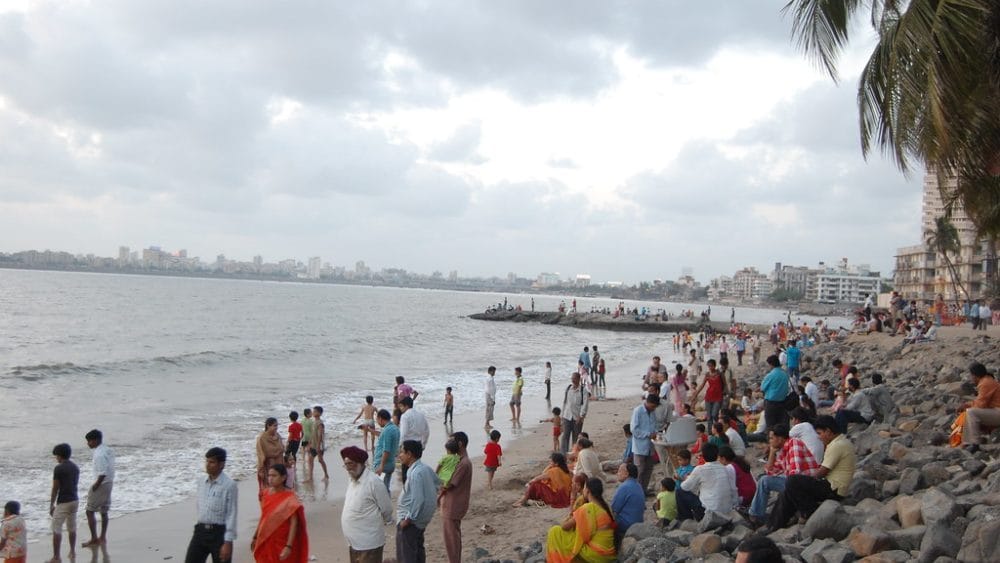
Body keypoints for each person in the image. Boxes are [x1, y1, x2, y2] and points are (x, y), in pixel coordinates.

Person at [764, 416, 856, 532]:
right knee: (787, 490)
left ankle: (810, 510)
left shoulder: (837, 445)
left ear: (828, 431)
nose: (818, 437)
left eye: (820, 433)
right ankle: (773, 525)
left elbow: (821, 472)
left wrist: (803, 481)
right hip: (833, 485)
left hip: (834, 488)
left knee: (793, 481)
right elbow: (771, 470)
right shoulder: (840, 442)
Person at [747, 423, 821, 526]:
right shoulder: (783, 450)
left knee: (764, 481)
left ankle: (755, 515)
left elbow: (795, 474)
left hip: (805, 484)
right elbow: (770, 471)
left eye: (772, 438)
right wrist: (772, 452)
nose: (770, 441)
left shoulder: (794, 444)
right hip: (796, 481)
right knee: (764, 478)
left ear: (780, 439)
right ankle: (757, 514)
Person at [340, 446, 393, 563]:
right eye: (346, 465)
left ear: (360, 463)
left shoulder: (373, 482)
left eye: (351, 464)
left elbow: (387, 509)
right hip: (353, 543)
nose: (348, 468)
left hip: (369, 544)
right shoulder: (352, 480)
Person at [185, 447, 238, 563]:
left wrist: (228, 542)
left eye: (212, 462)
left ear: (221, 464)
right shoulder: (201, 482)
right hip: (200, 531)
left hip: (219, 534)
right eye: (207, 461)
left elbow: (231, 514)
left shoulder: (229, 485)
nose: (208, 465)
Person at [545, 478, 616, 563]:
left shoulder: (589, 508)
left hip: (596, 554)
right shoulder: (605, 506)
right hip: (607, 553)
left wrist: (573, 497)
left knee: (554, 531)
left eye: (584, 488)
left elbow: (565, 527)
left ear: (587, 491)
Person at [251, 463, 308, 563]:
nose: (270, 478)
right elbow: (264, 517)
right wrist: (255, 536)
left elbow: (294, 523)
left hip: (282, 540)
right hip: (267, 538)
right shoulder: (266, 493)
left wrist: (288, 546)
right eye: (269, 475)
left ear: (283, 478)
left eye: (274, 476)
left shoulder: (290, 498)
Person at [396, 440, 440, 563]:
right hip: (421, 520)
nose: (400, 455)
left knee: (407, 555)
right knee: (418, 550)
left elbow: (418, 499)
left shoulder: (415, 473)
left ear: (409, 454)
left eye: (402, 452)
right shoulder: (425, 468)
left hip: (411, 521)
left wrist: (408, 519)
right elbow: (437, 483)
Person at [675, 444, 737, 521]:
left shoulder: (700, 469)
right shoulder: (724, 468)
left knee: (679, 491)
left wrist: (688, 478)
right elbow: (733, 489)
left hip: (708, 512)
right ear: (717, 455)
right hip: (727, 509)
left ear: (703, 456)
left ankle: (686, 519)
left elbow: (684, 487)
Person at [438, 432, 473, 563]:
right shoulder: (460, 461)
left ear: (460, 444)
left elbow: (449, 484)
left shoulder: (463, 463)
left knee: (451, 539)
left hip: (453, 505)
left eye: (451, 441)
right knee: (453, 537)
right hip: (454, 504)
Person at [83, 429, 114, 548]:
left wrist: (95, 485)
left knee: (89, 511)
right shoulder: (107, 450)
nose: (88, 444)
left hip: (102, 484)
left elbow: (102, 472)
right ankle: (102, 537)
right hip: (109, 483)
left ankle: (94, 538)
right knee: (104, 511)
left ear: (95, 440)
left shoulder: (99, 454)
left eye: (89, 441)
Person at [959, 362, 1000, 453]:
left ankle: (974, 443)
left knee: (971, 413)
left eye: (971, 375)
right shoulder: (987, 380)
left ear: (975, 375)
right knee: (970, 412)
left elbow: (981, 405)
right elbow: (981, 402)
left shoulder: (986, 383)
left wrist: (967, 406)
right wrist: (968, 404)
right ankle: (968, 441)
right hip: (996, 410)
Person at [49, 442, 79, 563]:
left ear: (60, 455)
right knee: (71, 527)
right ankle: (72, 551)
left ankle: (56, 557)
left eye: (56, 455)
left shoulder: (59, 468)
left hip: (63, 502)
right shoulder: (75, 467)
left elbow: (55, 488)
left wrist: (51, 504)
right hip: (74, 500)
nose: (56, 458)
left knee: (57, 529)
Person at [630, 394, 660, 494]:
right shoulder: (638, 411)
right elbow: (634, 429)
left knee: (648, 470)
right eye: (653, 406)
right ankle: (637, 492)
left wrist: (656, 433)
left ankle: (643, 490)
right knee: (639, 471)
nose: (653, 408)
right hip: (640, 447)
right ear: (648, 403)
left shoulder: (653, 412)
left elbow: (655, 425)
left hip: (650, 446)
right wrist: (648, 434)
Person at [609, 463, 644, 547]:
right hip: (638, 522)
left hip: (626, 525)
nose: (618, 473)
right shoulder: (638, 485)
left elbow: (614, 509)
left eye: (620, 471)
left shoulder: (624, 487)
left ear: (627, 473)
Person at [398, 397, 430, 484]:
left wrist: (400, 447)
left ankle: (408, 490)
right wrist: (423, 444)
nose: (400, 409)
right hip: (418, 443)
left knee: (406, 470)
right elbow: (426, 431)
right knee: (416, 468)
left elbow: (403, 433)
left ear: (406, 406)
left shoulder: (405, 416)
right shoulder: (420, 415)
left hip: (408, 445)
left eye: (401, 406)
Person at [561, 372, 590, 454]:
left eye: (574, 378)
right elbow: (565, 403)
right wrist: (562, 416)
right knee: (565, 436)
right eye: (572, 378)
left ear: (579, 379)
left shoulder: (583, 390)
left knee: (576, 436)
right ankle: (564, 454)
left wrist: (581, 416)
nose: (573, 380)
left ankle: (574, 453)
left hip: (577, 417)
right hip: (567, 416)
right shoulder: (568, 389)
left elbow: (585, 404)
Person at [371, 409, 399, 491]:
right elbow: (382, 436)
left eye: (377, 420)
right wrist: (370, 430)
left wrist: (381, 466)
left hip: (382, 464)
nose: (377, 422)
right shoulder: (395, 428)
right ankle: (386, 503)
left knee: (376, 489)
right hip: (391, 463)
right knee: (385, 488)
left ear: (380, 418)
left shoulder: (387, 431)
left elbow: (386, 450)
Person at [761, 355, 790, 431]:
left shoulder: (770, 375)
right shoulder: (784, 374)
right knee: (781, 425)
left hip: (771, 403)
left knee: (771, 425)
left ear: (771, 364)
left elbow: (763, 388)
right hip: (783, 402)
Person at [257, 417, 286, 493]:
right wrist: (261, 470)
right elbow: (260, 455)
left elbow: (282, 447)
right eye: (274, 426)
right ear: (268, 426)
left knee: (280, 488)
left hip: (280, 465)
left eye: (277, 425)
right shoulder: (262, 438)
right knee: (270, 489)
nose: (276, 428)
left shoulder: (278, 436)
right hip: (269, 468)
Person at [309, 406, 329, 481]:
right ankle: (310, 477)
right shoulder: (314, 422)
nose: (313, 413)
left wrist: (318, 445)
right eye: (313, 411)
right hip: (313, 444)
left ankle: (326, 475)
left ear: (319, 413)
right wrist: (310, 443)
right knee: (310, 459)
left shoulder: (320, 423)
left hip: (318, 445)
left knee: (320, 460)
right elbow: (312, 433)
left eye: (315, 411)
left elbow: (320, 434)